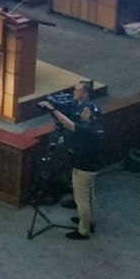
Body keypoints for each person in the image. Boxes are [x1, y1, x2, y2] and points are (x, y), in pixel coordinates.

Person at [39, 98, 103, 239]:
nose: (82, 113)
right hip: (92, 167)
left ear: (92, 115)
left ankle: (83, 230)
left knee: (81, 201)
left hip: (82, 168)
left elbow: (68, 124)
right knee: (90, 196)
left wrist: (52, 110)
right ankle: (90, 221)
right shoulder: (97, 126)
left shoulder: (87, 129)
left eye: (85, 112)